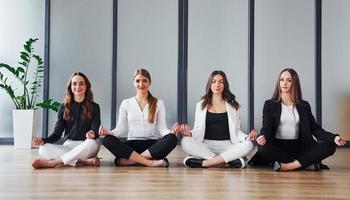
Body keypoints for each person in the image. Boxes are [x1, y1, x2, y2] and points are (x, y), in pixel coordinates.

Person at [255, 68, 347, 171]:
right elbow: (266, 128)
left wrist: (334, 137)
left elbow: (315, 129)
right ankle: (307, 165)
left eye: (289, 80)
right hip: (278, 147)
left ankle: (289, 166)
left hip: (299, 147)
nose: (284, 83)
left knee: (330, 145)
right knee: (263, 149)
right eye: (281, 79)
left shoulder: (304, 105)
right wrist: (263, 137)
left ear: (295, 83)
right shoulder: (270, 104)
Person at [100, 68, 179, 167]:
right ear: (133, 82)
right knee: (107, 140)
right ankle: (149, 162)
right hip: (131, 146)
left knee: (172, 138)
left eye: (144, 81)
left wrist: (172, 132)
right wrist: (109, 133)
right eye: (137, 81)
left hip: (151, 146)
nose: (141, 85)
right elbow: (120, 129)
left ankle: (131, 161)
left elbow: (162, 129)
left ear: (150, 83)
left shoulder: (158, 103)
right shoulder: (126, 103)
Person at [180, 70, 256, 168]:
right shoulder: (200, 105)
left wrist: (246, 137)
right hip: (206, 145)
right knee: (185, 141)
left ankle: (205, 163)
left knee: (249, 144)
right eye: (214, 81)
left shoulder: (233, 106)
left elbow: (236, 131)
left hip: (228, 145)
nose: (217, 84)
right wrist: (189, 134)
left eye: (221, 82)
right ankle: (227, 161)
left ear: (225, 85)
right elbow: (198, 129)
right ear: (210, 84)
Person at [32, 72, 101, 169]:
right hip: (69, 145)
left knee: (93, 143)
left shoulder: (95, 107)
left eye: (81, 83)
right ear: (70, 87)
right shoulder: (63, 107)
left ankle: (53, 163)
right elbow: (56, 134)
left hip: (87, 145)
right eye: (74, 84)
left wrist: (92, 133)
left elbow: (95, 130)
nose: (78, 86)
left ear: (86, 86)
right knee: (43, 149)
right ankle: (83, 161)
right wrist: (43, 140)